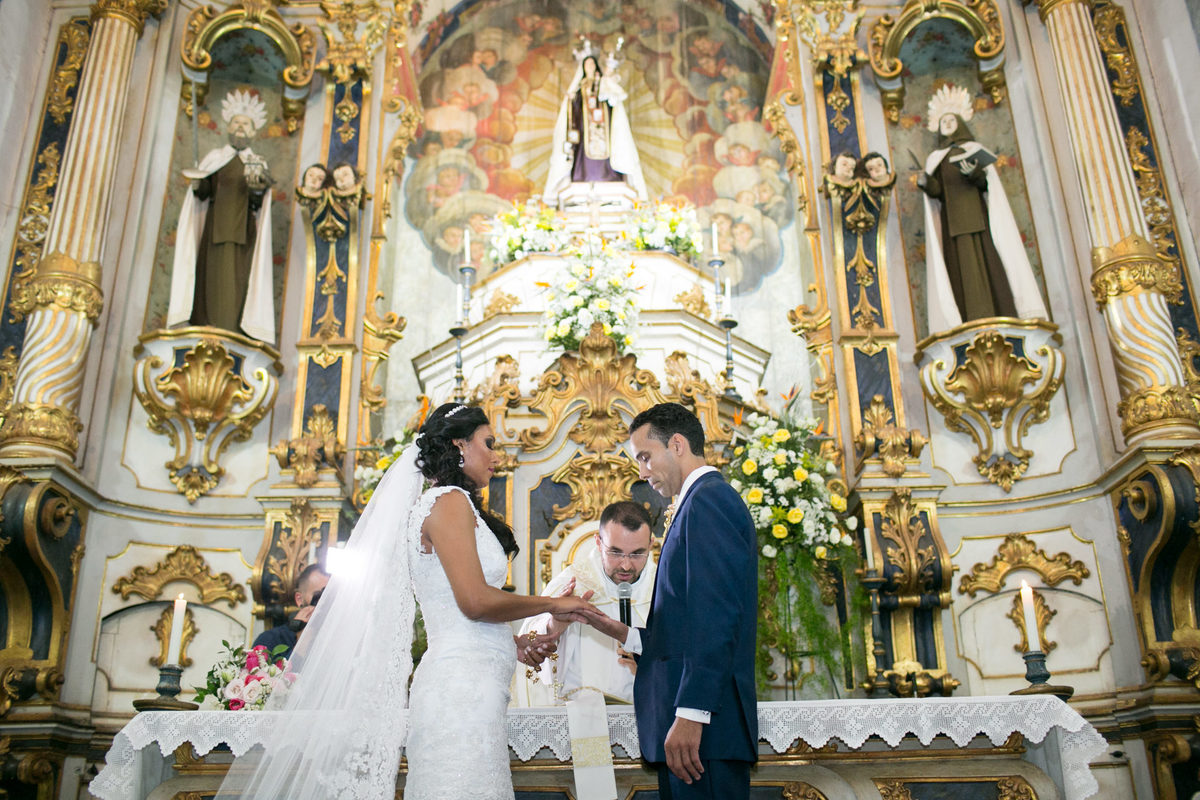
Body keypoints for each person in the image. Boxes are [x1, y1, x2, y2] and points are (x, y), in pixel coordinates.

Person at [214, 403, 596, 800]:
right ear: (459, 445)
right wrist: (552, 604)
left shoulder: (452, 503)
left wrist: (512, 644)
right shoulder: (448, 501)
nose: (497, 456)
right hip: (459, 694)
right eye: (489, 443)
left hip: (473, 688)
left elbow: (456, 611)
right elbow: (474, 601)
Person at [583, 402, 758, 799]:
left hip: (703, 734)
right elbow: (686, 626)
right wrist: (620, 632)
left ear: (676, 444)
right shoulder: (700, 502)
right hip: (699, 732)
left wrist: (691, 714)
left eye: (645, 456)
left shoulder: (709, 502)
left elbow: (716, 618)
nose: (641, 471)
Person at [918, 84, 1046, 332]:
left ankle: (995, 312)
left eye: (949, 119)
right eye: (942, 120)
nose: (946, 123)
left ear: (959, 121)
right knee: (958, 268)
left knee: (986, 261)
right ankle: (965, 319)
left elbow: (986, 184)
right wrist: (926, 183)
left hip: (978, 216)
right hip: (951, 222)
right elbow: (937, 192)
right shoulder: (936, 159)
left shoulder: (973, 150)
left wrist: (974, 172)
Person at [518, 500, 656, 705]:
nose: (626, 565)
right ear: (599, 543)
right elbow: (527, 645)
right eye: (615, 553)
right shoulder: (573, 584)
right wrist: (556, 623)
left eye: (637, 553)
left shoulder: (663, 587)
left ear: (651, 545)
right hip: (585, 716)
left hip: (648, 709)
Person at [168, 88, 276, 342]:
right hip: (213, 228)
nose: (240, 127)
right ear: (229, 127)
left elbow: (259, 198)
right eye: (237, 122)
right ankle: (206, 325)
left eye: (246, 124)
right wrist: (198, 184)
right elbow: (204, 192)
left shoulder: (256, 162)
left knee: (238, 280)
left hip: (243, 232)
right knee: (209, 276)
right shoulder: (215, 158)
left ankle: (233, 331)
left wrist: (258, 185)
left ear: (252, 131)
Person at [544, 51, 647, 204]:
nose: (590, 67)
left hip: (604, 126)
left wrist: (609, 82)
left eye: (592, 64)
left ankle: (609, 175)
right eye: (587, 64)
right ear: (583, 68)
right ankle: (582, 175)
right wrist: (572, 100)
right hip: (585, 127)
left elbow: (613, 101)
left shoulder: (603, 83)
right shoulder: (580, 87)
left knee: (608, 148)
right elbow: (573, 108)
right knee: (583, 149)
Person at [250, 564, 329, 661]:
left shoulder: (342, 638)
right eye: (319, 596)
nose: (326, 603)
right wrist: (303, 640)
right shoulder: (271, 639)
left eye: (330, 596)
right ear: (299, 599)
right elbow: (272, 675)